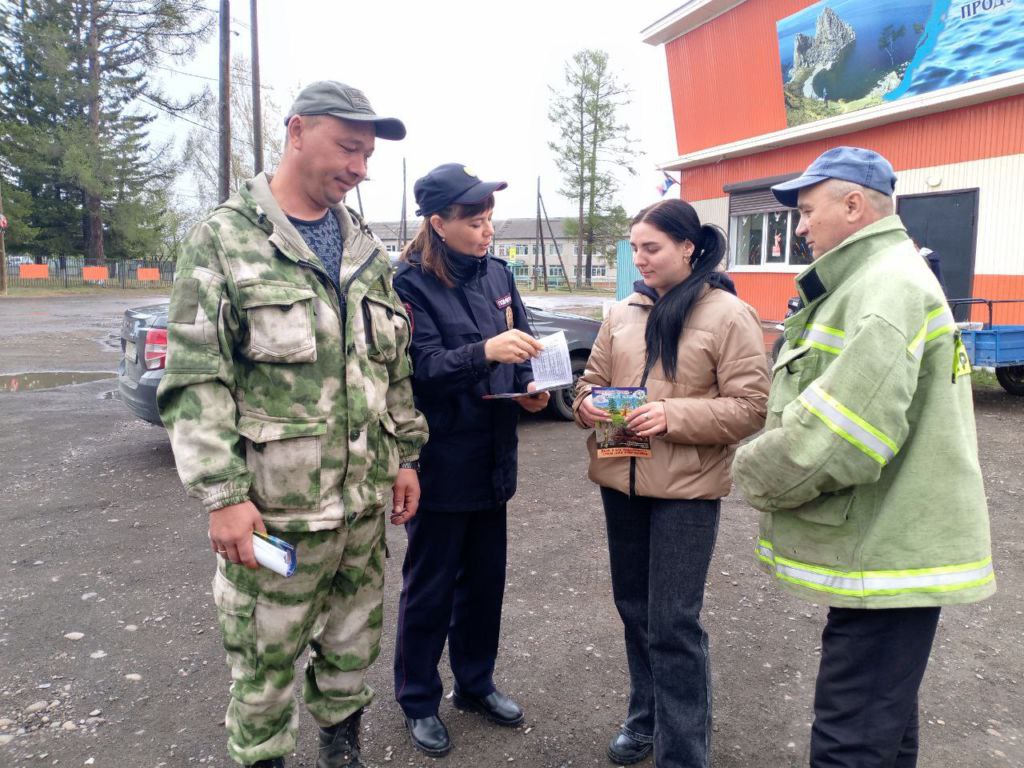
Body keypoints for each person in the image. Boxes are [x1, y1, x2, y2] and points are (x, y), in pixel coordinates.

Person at [157, 81, 428, 768]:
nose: (359, 168)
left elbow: (392, 366)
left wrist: (405, 457)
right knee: (264, 665)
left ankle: (342, 752)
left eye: (367, 156)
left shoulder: (364, 249)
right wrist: (222, 496)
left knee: (351, 653)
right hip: (275, 520)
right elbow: (196, 377)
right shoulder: (224, 239)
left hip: (360, 516)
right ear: (298, 131)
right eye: (349, 148)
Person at [733, 146, 995, 768]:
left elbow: (842, 435)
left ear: (853, 206)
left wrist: (750, 472)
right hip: (891, 545)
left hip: (885, 546)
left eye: (807, 210)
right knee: (883, 724)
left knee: (850, 739)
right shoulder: (882, 278)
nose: (800, 227)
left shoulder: (884, 287)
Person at [573, 198, 770, 768]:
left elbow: (752, 407)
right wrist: (586, 406)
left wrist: (671, 415)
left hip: (687, 493)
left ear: (688, 247)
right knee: (635, 611)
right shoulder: (622, 313)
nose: (640, 258)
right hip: (621, 484)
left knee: (673, 623)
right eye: (635, 247)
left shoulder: (729, 314)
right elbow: (590, 381)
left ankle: (683, 753)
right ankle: (645, 720)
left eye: (652, 247)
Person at [390, 163, 549, 758]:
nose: (487, 231)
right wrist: (484, 352)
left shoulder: (498, 274)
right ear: (439, 222)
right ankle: (418, 699)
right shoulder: (409, 285)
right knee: (430, 590)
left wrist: (530, 387)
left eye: (489, 220)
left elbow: (524, 347)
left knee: (485, 585)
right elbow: (420, 370)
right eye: (475, 222)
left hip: (493, 458)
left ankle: (475, 684)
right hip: (440, 462)